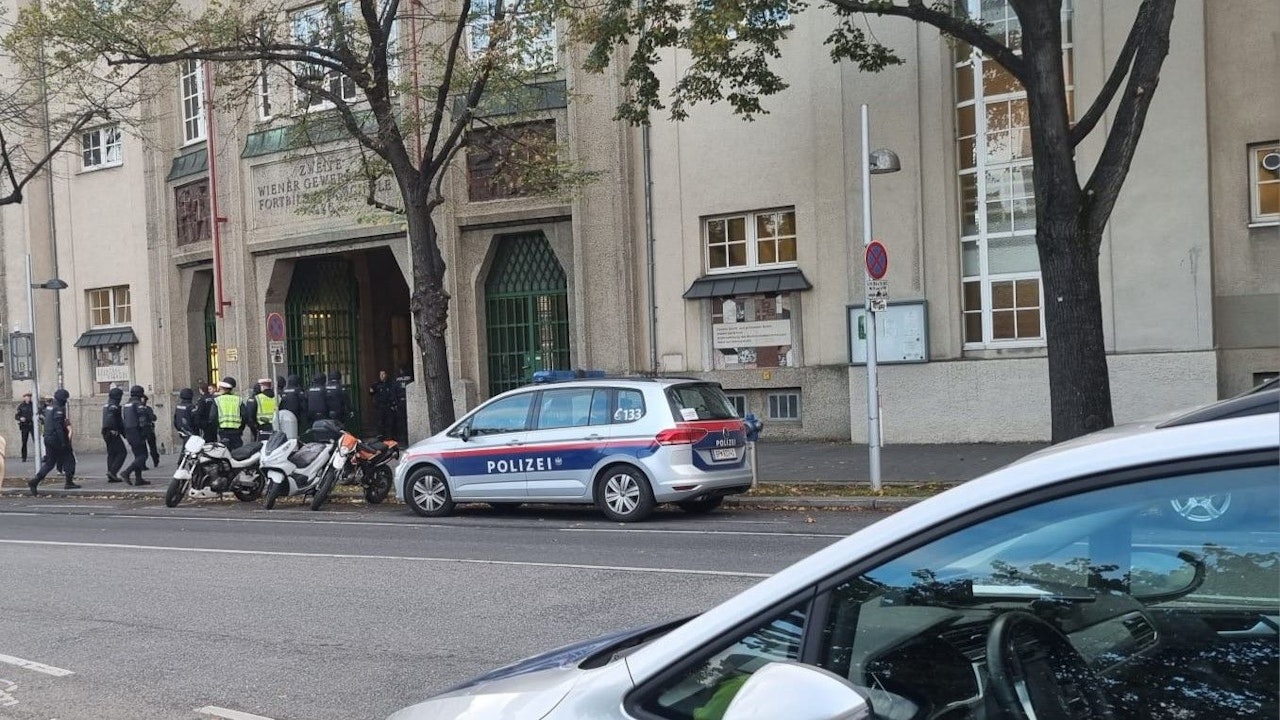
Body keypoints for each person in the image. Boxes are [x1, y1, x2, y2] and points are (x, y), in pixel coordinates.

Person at [27, 388, 77, 495]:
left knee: (50, 463)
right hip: (57, 439)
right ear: (63, 398)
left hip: (48, 438)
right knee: (69, 459)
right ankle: (69, 482)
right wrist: (63, 442)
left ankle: (35, 481)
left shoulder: (49, 407)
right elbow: (58, 427)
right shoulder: (58, 409)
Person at [121, 385, 151, 486]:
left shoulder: (127, 404)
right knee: (143, 456)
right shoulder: (138, 405)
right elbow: (142, 420)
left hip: (129, 432)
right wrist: (145, 433)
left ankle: (139, 479)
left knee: (137, 456)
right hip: (137, 432)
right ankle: (127, 472)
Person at [101, 386, 127, 483]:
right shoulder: (114, 406)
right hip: (112, 432)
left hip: (105, 431)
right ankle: (113, 472)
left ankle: (110, 473)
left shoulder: (107, 405)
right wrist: (123, 433)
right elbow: (116, 421)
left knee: (112, 453)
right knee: (122, 452)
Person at [214, 377, 245, 450]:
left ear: (224, 388)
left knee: (225, 452)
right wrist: (241, 428)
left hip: (223, 431)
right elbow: (244, 416)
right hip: (236, 431)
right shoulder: (238, 399)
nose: (219, 390)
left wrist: (218, 427)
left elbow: (213, 417)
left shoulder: (217, 400)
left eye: (221, 388)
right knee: (238, 453)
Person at [369, 370, 396, 439]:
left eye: (383, 374)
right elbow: (371, 392)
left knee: (389, 422)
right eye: (380, 374)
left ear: (386, 375)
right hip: (380, 406)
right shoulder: (376, 384)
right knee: (380, 422)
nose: (382, 376)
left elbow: (393, 394)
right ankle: (381, 436)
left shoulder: (390, 384)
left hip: (388, 406)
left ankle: (389, 437)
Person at [277, 374, 306, 440]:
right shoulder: (298, 390)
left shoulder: (283, 392)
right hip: (297, 416)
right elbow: (303, 404)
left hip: (286, 417)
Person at [140, 394, 160, 468]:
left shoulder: (139, 408)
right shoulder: (147, 409)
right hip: (148, 429)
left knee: (144, 447)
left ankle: (143, 464)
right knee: (152, 446)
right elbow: (153, 417)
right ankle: (155, 460)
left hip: (143, 430)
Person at [395, 366, 414, 443]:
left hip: (403, 402)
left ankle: (404, 439)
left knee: (402, 422)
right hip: (402, 402)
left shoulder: (399, 380)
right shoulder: (407, 379)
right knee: (401, 422)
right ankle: (403, 439)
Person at [14, 392, 33, 462]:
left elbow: (38, 412)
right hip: (24, 426)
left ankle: (39, 456)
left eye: (30, 396)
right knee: (24, 442)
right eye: (27, 396)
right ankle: (24, 457)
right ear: (24, 397)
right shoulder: (21, 406)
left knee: (36, 441)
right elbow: (16, 416)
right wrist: (20, 418)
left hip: (32, 425)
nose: (29, 398)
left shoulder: (33, 405)